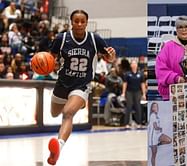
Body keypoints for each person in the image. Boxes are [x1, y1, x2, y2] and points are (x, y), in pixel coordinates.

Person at [47, 10, 116, 165]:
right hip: (62, 83)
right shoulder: (61, 38)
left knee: (68, 113)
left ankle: (58, 147)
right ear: (71, 22)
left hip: (82, 84)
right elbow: (50, 59)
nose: (79, 24)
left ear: (86, 22)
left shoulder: (94, 39)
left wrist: (112, 56)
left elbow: (109, 58)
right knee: (54, 113)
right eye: (76, 21)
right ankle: (58, 144)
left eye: (82, 21)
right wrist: (43, 63)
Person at [122, 59, 146, 128]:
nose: (134, 65)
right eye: (132, 64)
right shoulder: (127, 74)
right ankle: (126, 123)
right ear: (131, 65)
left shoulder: (140, 74)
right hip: (129, 92)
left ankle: (139, 123)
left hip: (137, 92)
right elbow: (125, 83)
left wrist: (144, 93)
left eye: (135, 64)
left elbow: (142, 84)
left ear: (137, 65)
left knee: (138, 107)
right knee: (128, 107)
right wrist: (123, 93)